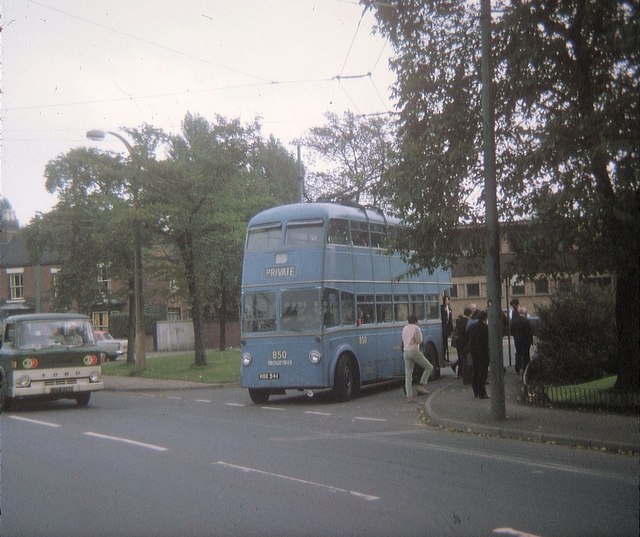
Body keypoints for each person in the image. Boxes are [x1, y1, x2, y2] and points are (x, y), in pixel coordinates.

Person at [402, 314, 434, 401]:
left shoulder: (404, 328)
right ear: (416, 321)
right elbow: (419, 340)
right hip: (414, 351)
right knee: (429, 367)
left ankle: (409, 396)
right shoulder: (416, 328)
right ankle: (422, 384)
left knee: (408, 374)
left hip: (406, 352)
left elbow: (403, 339)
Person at [467, 309, 489, 399]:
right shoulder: (485, 328)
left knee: (475, 371)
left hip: (474, 352)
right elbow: (487, 340)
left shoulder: (471, 327)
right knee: (482, 372)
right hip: (483, 352)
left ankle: (475, 391)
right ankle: (482, 392)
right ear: (485, 318)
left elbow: (467, 338)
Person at [511, 306, 533, 374]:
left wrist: (515, 336)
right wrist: (530, 340)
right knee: (526, 355)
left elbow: (512, 330)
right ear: (524, 313)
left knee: (518, 353)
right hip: (525, 341)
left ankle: (517, 367)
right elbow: (529, 332)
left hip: (517, 340)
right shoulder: (526, 321)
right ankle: (526, 370)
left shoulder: (515, 321)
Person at [451, 306, 471, 378]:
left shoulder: (459, 320)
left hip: (458, 342)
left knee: (461, 357)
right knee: (463, 358)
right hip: (464, 342)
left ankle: (459, 373)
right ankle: (462, 374)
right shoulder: (467, 321)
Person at [440, 295, 453, 362]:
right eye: (446, 300)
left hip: (447, 327)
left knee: (446, 343)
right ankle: (443, 356)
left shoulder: (450, 309)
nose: (447, 301)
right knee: (443, 343)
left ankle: (446, 356)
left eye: (448, 300)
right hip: (443, 327)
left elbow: (450, 319)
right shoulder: (441, 308)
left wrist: (451, 329)